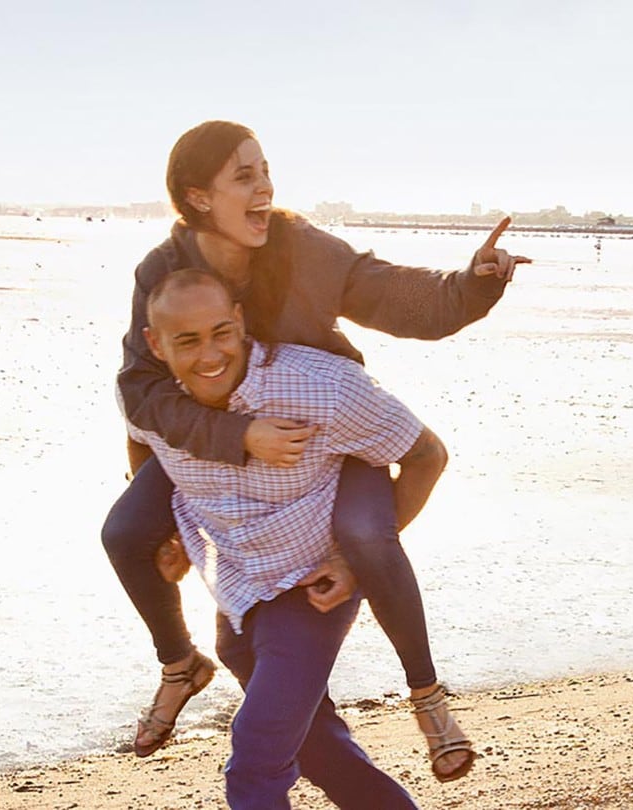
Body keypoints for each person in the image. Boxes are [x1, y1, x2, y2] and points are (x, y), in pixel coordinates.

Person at [101, 120, 522, 779]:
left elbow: (393, 295)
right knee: (126, 529)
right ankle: (179, 663)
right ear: (200, 197)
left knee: (361, 529)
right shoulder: (163, 271)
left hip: (321, 431)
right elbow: (141, 390)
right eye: (244, 176)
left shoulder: (297, 247)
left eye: (265, 170)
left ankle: (428, 698)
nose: (265, 187)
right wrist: (185, 500)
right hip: (218, 436)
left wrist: (474, 283)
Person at [130, 267, 445, 808]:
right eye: (187, 340)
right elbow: (143, 444)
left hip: (311, 592)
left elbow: (425, 456)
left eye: (220, 333)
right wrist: (174, 530)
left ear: (240, 322)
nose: (209, 355)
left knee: (254, 762)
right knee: (323, 752)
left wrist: (353, 561)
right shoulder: (151, 401)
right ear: (155, 344)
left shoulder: (320, 387)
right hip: (237, 597)